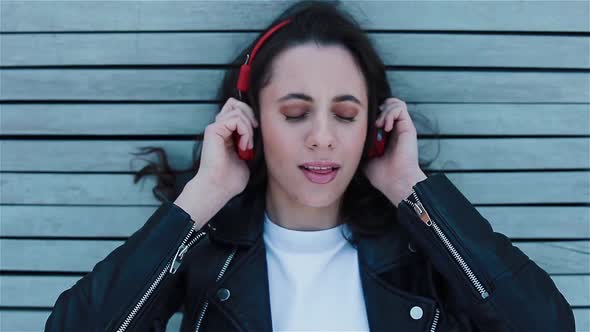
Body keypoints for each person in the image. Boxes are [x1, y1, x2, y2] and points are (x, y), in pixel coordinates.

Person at [45, 1, 575, 331]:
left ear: (373, 127)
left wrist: (412, 189)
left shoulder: (420, 254)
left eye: (345, 114)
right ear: (251, 124)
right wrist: (202, 197)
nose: (322, 137)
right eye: (295, 113)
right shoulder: (209, 254)